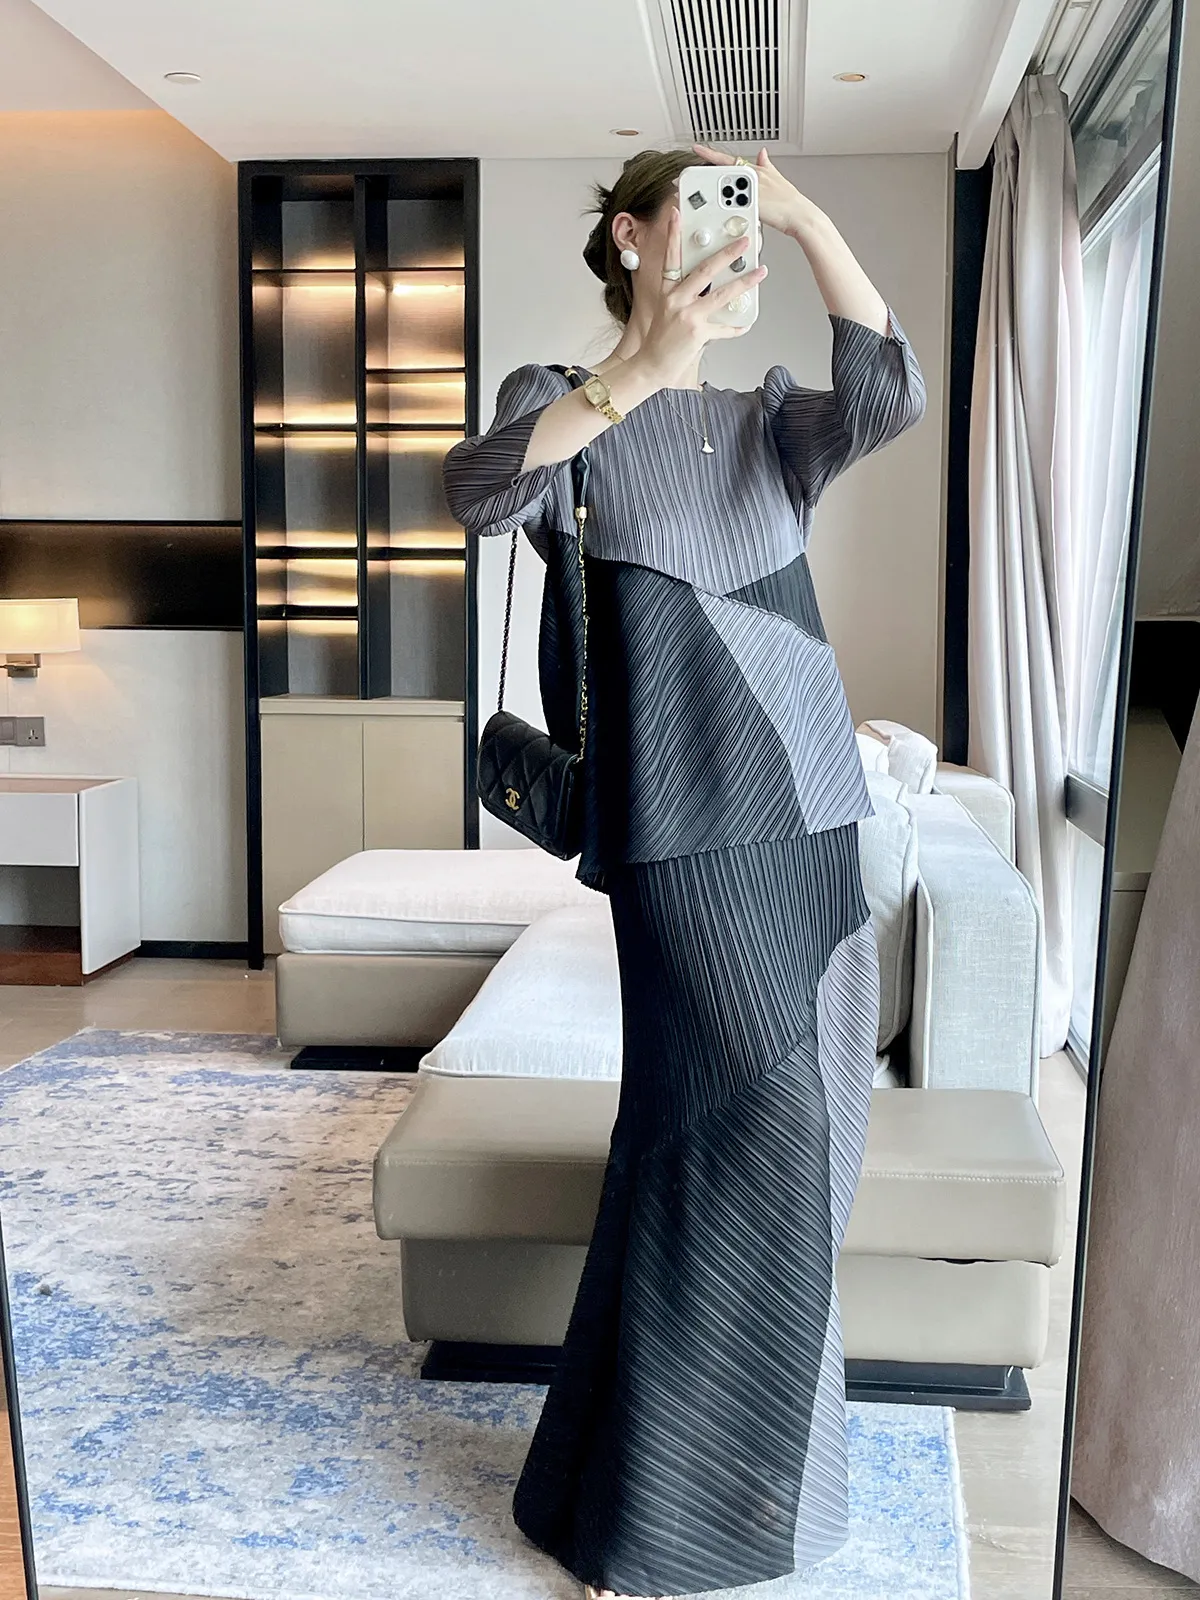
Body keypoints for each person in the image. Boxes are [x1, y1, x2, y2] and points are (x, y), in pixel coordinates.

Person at [442, 144, 926, 1600]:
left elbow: (890, 394)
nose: (732, 245)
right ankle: (666, 1522)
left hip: (815, 819)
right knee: (738, 1134)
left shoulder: (769, 420)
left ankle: (667, 1488)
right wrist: (640, 368)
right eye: (704, 214)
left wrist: (809, 216)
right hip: (675, 834)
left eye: (744, 223)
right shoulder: (560, 401)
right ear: (630, 237)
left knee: (807, 1138)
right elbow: (477, 494)